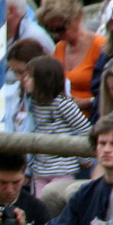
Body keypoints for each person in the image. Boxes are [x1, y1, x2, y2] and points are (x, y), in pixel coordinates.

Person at [24, 54, 92, 195]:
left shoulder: (63, 104)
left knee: (55, 201)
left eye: (30, 77)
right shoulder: (32, 104)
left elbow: (85, 129)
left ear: (44, 81)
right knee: (41, 205)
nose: (25, 80)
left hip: (63, 167)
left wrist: (84, 158)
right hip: (40, 167)